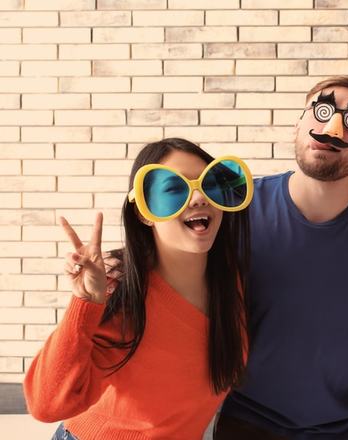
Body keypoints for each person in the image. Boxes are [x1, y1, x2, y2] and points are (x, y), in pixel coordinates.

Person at [212, 76, 348, 440]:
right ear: (298, 126)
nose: (332, 126)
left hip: (343, 427)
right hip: (248, 420)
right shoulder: (240, 208)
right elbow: (176, 255)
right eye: (321, 111)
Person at [24, 138, 253, 440]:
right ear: (145, 212)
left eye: (208, 184)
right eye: (174, 190)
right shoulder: (122, 294)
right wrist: (84, 303)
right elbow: (45, 405)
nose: (198, 198)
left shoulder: (228, 280)